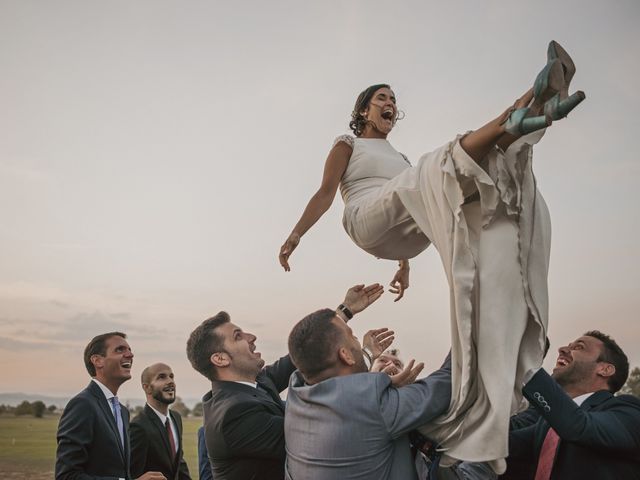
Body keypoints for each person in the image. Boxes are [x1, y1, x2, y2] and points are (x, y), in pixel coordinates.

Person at [278, 41, 585, 472]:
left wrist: (403, 268)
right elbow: (326, 193)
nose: (390, 103)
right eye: (381, 98)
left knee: (476, 187)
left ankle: (529, 115)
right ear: (364, 110)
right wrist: (296, 235)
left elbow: (411, 205)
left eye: (393, 100)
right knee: (436, 165)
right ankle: (518, 111)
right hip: (365, 219)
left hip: (408, 232)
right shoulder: (347, 143)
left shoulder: (401, 159)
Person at [186, 283, 384, 480]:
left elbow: (302, 352)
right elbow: (320, 433)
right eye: (238, 337)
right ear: (220, 359)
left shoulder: (256, 383)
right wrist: (366, 360)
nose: (251, 337)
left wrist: (345, 310)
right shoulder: (233, 415)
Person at [285, 308, 451, 480]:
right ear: (345, 355)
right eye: (353, 336)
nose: (358, 341)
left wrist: (378, 378)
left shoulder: (296, 394)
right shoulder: (374, 405)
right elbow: (449, 378)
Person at [503, 330, 640, 480]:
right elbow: (502, 446)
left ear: (605, 369)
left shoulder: (629, 412)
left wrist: (527, 366)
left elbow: (578, 425)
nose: (562, 349)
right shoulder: (546, 425)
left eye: (578, 347)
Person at [55, 331, 165, 480]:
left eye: (130, 350)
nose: (130, 355)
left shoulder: (123, 412)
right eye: (120, 350)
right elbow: (66, 476)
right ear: (97, 361)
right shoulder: (83, 405)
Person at [130, 363, 191, 480]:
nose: (170, 381)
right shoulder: (138, 426)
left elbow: (179, 464)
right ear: (147, 387)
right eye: (161, 377)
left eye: (171, 376)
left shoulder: (176, 418)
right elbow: (133, 474)